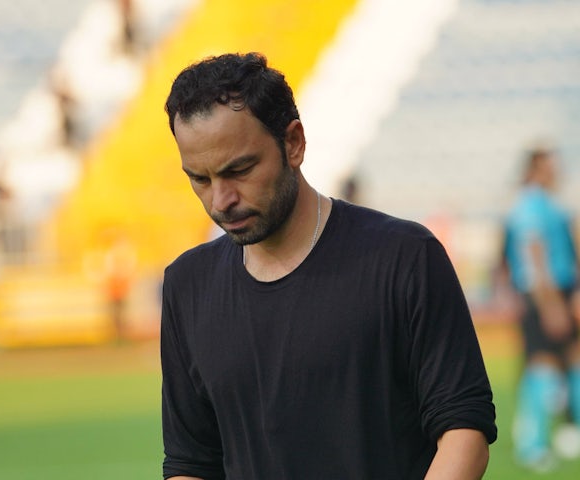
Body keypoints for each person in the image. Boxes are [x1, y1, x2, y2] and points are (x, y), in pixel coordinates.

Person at [160, 52, 497, 480]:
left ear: (294, 143)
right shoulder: (186, 286)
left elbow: (463, 429)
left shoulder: (404, 256)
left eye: (240, 169)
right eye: (200, 179)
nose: (221, 200)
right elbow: (191, 462)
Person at [501, 147, 580, 470]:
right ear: (535, 170)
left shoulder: (550, 205)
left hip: (561, 290)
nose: (556, 172)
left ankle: (568, 428)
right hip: (543, 293)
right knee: (543, 364)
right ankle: (531, 443)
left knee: (573, 360)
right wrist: (550, 305)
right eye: (550, 167)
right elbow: (535, 256)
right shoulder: (529, 206)